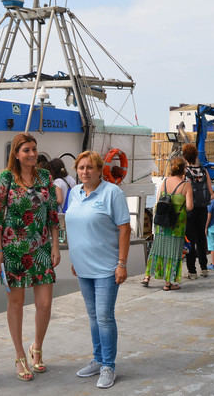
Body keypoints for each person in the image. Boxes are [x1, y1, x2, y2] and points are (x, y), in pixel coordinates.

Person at [0, 133, 61, 381]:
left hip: (41, 248)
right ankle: (20, 354)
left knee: (44, 304)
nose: (32, 154)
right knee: (16, 304)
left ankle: (37, 347)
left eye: (34, 149)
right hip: (13, 250)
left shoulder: (45, 177)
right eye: (26, 150)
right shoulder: (6, 178)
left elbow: (53, 213)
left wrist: (55, 246)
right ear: (17, 154)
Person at [64, 151, 130, 389]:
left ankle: (108, 366)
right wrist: (75, 258)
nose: (85, 172)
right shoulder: (74, 193)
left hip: (106, 268)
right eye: (81, 168)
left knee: (104, 316)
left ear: (100, 169)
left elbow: (124, 228)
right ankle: (98, 358)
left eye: (90, 167)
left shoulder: (112, 193)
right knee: (93, 317)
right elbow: (75, 225)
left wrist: (122, 264)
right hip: (83, 267)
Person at [142, 156, 193, 290]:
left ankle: (147, 276)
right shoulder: (186, 185)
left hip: (162, 222)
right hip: (177, 223)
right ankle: (168, 283)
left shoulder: (164, 182)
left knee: (157, 248)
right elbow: (190, 206)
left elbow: (158, 200)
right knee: (173, 251)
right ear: (183, 169)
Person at [182, 143, 213, 279]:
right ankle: (204, 267)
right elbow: (211, 191)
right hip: (203, 208)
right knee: (201, 237)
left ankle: (192, 271)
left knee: (191, 239)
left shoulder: (185, 173)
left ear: (185, 157)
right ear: (196, 156)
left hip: (190, 209)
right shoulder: (204, 171)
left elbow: (182, 191)